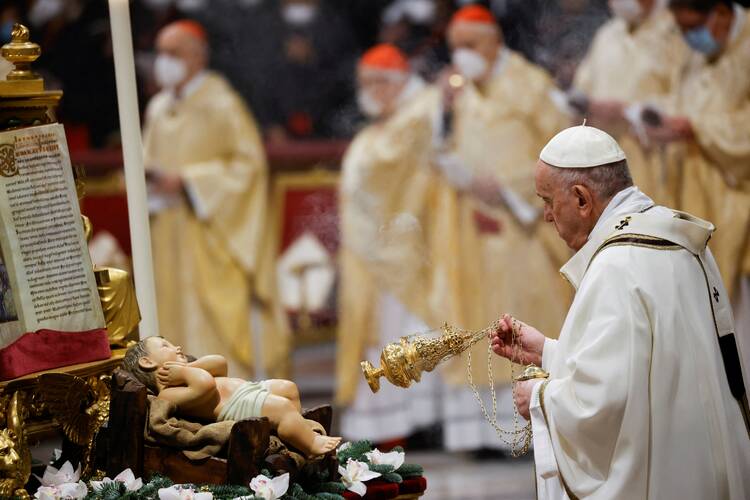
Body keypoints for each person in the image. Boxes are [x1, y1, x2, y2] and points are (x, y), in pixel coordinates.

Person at [490, 124, 750, 499]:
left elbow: (601, 406)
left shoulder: (617, 264)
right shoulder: (677, 237)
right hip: (702, 464)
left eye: (548, 201)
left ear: (582, 199)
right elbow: (647, 366)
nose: (547, 216)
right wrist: (547, 351)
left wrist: (537, 396)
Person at [432, 4, 572, 453]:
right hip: (477, 228)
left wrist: (509, 187)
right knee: (478, 323)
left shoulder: (529, 83)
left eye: (470, 46)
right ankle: (484, 435)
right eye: (455, 48)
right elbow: (448, 148)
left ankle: (538, 432)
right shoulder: (465, 93)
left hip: (525, 226)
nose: (462, 56)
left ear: (494, 41)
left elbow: (562, 144)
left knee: (528, 314)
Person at [143, 20, 289, 380]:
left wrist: (191, 181)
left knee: (212, 327)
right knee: (169, 319)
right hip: (168, 233)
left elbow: (249, 166)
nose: (164, 61)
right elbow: (145, 161)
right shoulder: (158, 108)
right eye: (160, 53)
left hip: (213, 234)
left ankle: (226, 399)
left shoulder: (221, 103)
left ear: (196, 56)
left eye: (173, 53)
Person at [335, 44, 442, 445]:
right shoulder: (383, 124)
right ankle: (388, 426)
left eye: (377, 82)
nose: (369, 91)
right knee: (379, 335)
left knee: (405, 334)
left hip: (407, 253)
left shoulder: (419, 112)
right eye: (364, 83)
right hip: (371, 255)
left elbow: (390, 174)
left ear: (396, 82)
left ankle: (411, 426)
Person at [645, 0, 750, 343]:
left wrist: (697, 128)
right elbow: (680, 100)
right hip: (696, 198)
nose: (690, 39)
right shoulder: (694, 54)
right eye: (683, 30)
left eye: (693, 28)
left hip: (740, 203)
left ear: (719, 12)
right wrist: (663, 122)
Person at [122, 337, 341, 457]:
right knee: (282, 408)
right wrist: (186, 372)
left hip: (249, 390)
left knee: (288, 388)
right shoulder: (168, 393)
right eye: (165, 345)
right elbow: (205, 386)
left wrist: (189, 366)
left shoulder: (189, 370)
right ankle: (310, 444)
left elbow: (220, 362)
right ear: (148, 362)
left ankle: (294, 433)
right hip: (237, 407)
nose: (176, 346)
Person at [572, 0, 688, 205]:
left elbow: (689, 98)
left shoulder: (677, 32)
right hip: (605, 163)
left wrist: (628, 112)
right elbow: (581, 90)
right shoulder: (607, 35)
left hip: (658, 160)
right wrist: (589, 108)